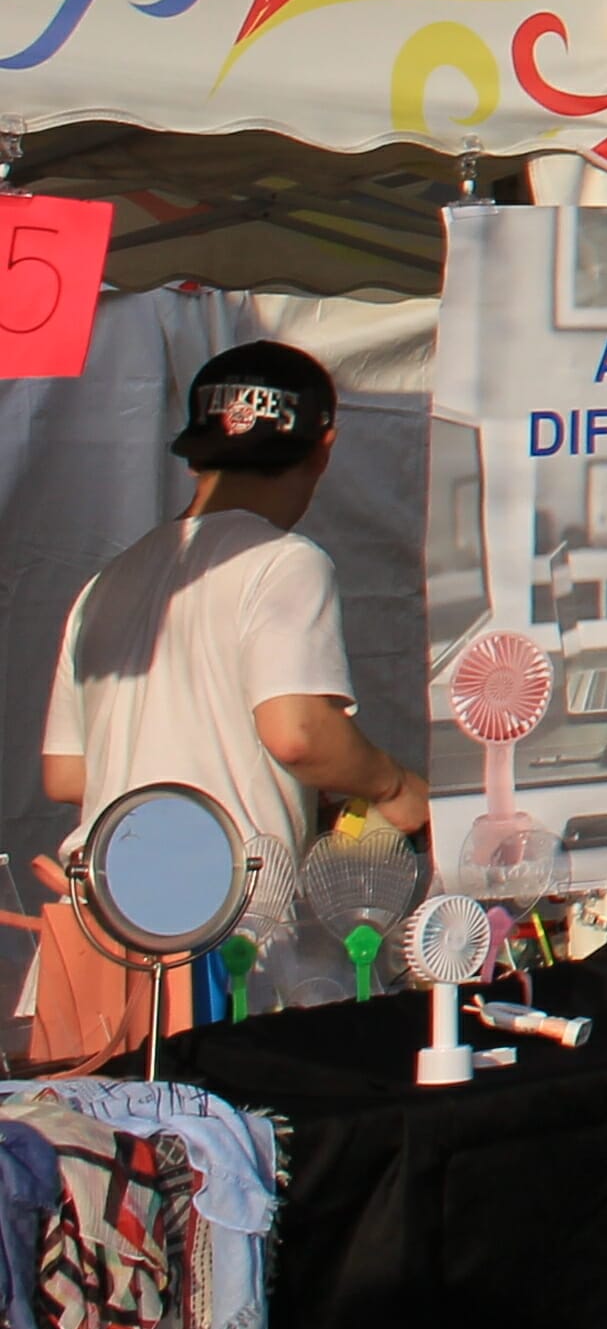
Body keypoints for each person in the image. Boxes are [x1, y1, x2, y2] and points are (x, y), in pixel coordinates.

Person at [39, 345, 433, 1022]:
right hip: (224, 937)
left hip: (108, 929)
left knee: (119, 1121)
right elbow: (298, 732)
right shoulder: (283, 562)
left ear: (196, 455)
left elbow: (69, 774)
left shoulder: (108, 583)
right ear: (324, 449)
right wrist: (392, 787)